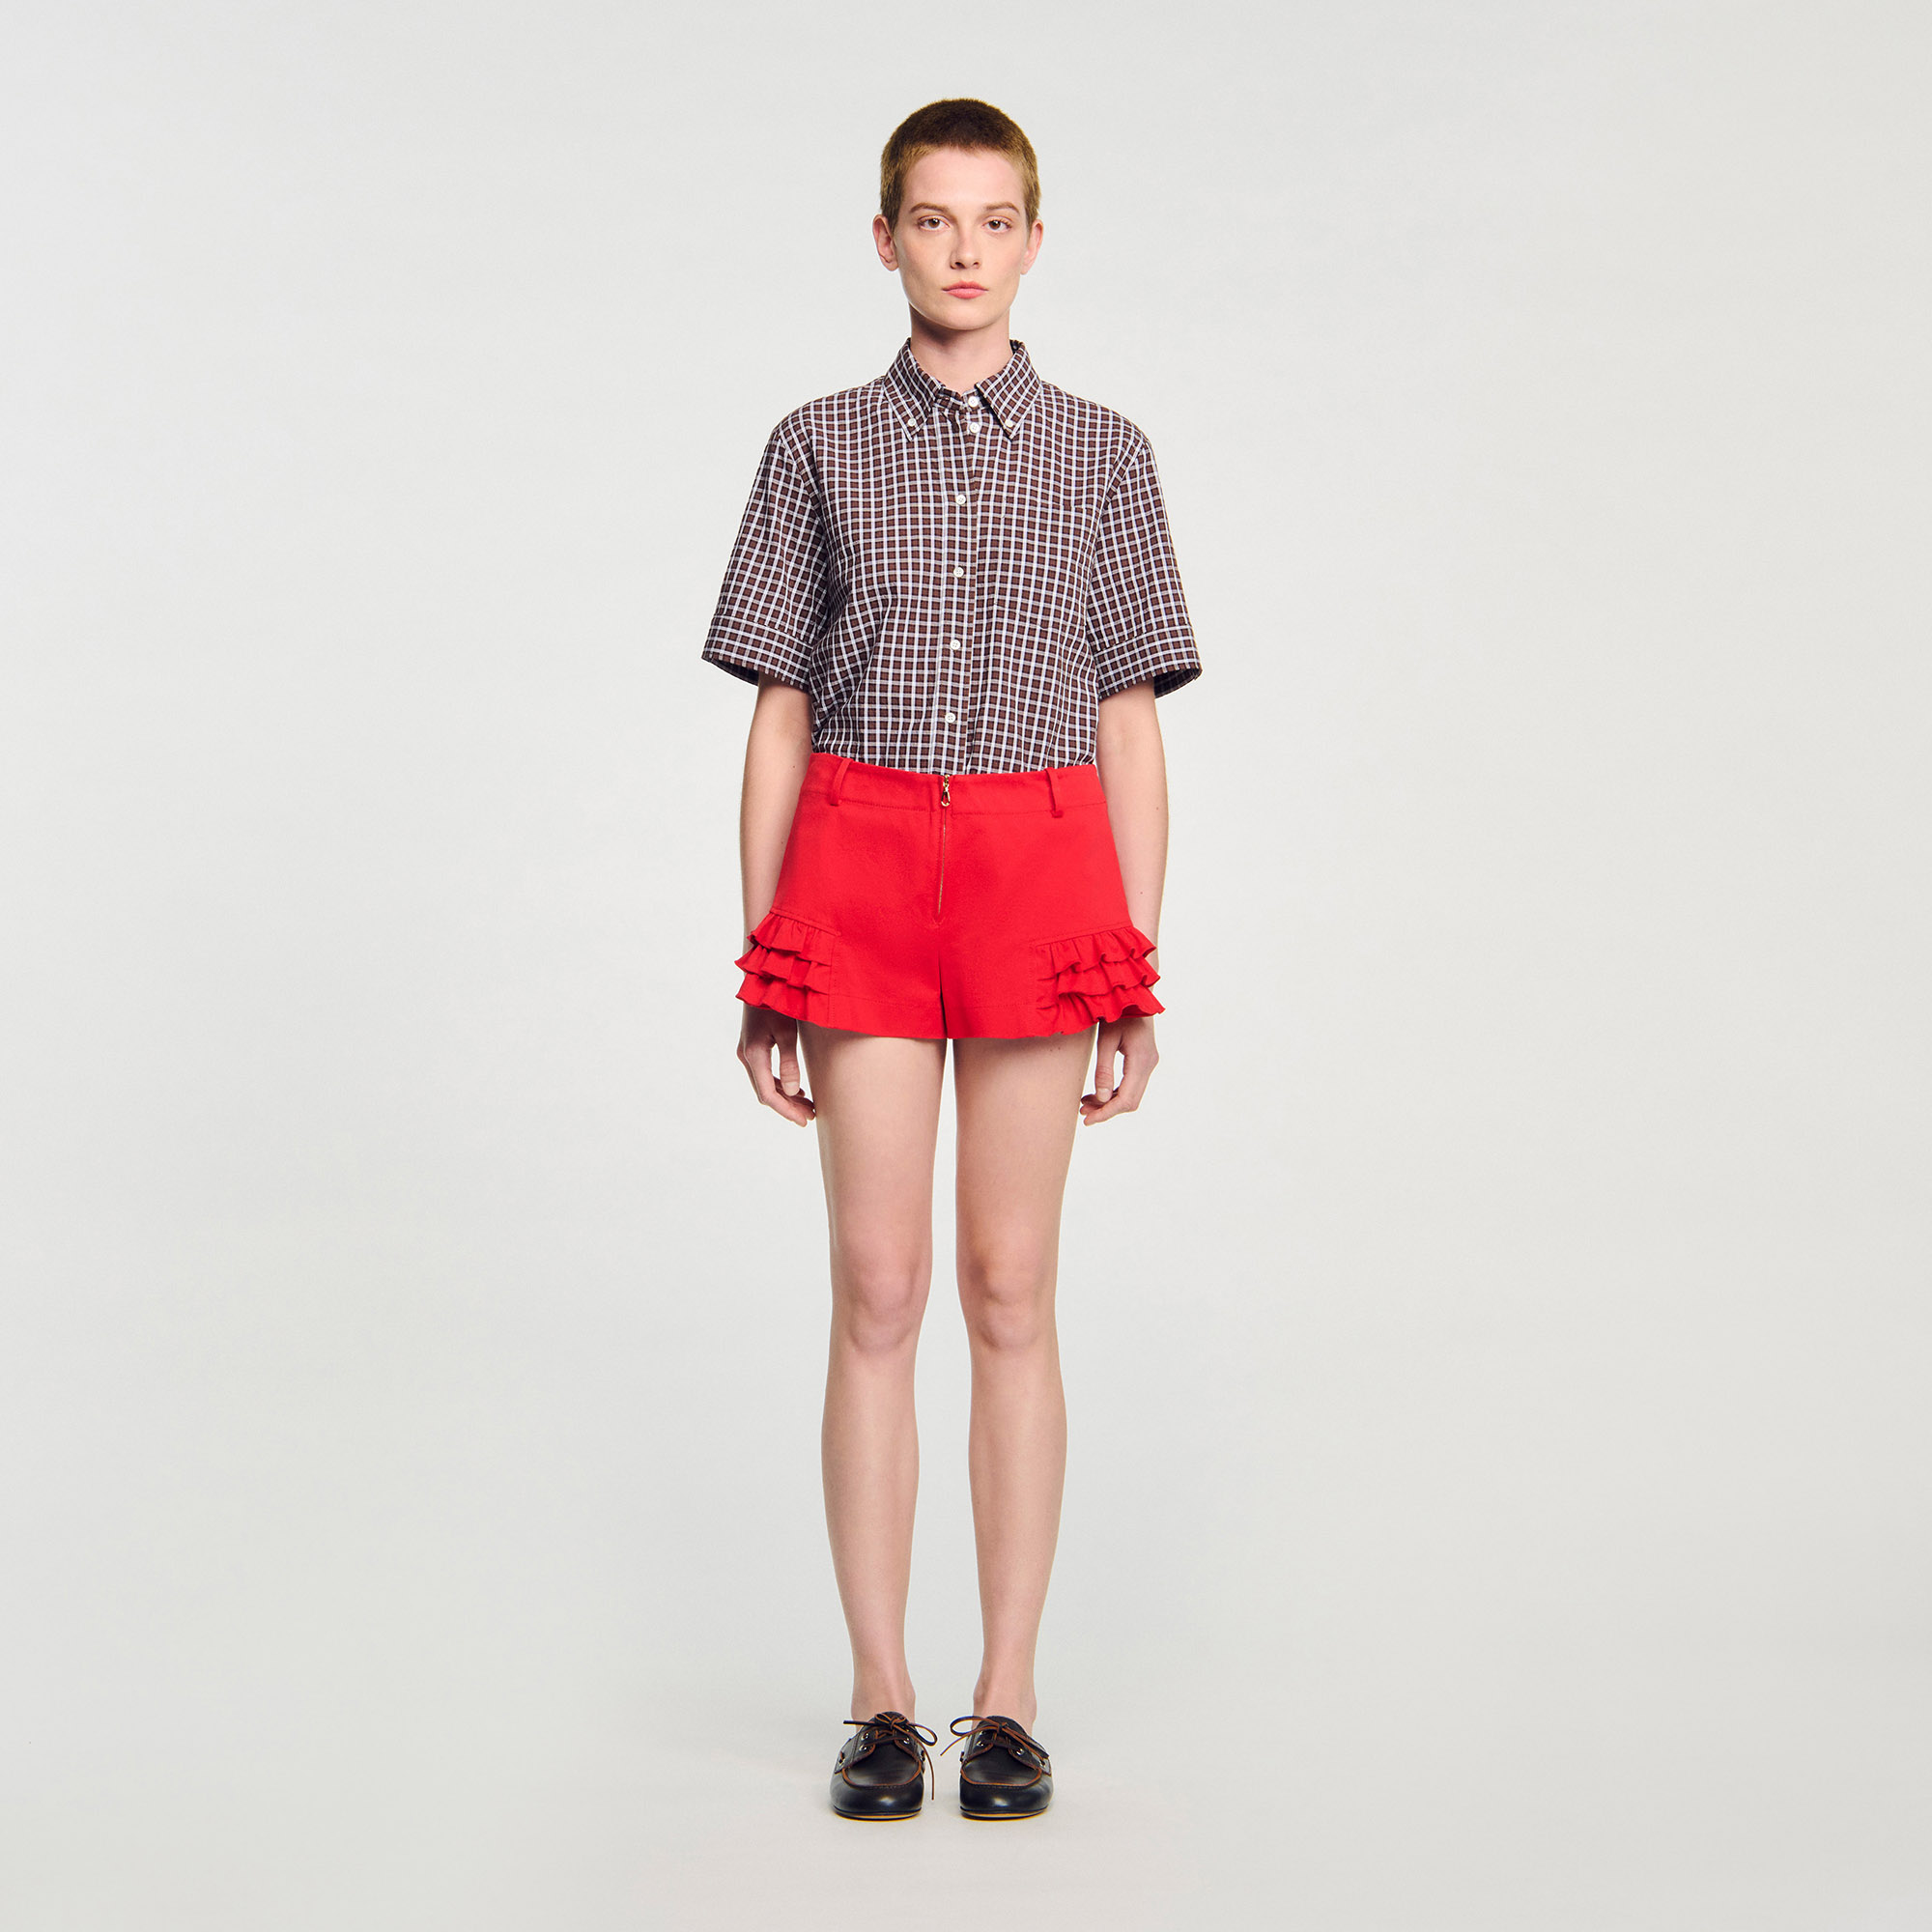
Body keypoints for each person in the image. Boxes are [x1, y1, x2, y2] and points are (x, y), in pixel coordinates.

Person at [701, 97, 1202, 1821]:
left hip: (1037, 861)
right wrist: (765, 959)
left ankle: (1006, 1698)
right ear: (886, 239)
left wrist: (1132, 962)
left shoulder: (1108, 453)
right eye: (934, 219)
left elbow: (1128, 723)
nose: (965, 249)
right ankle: (879, 1698)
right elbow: (780, 714)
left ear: (1035, 243)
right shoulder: (816, 444)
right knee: (878, 1284)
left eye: (995, 221)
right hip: (856, 856)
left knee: (1008, 1283)